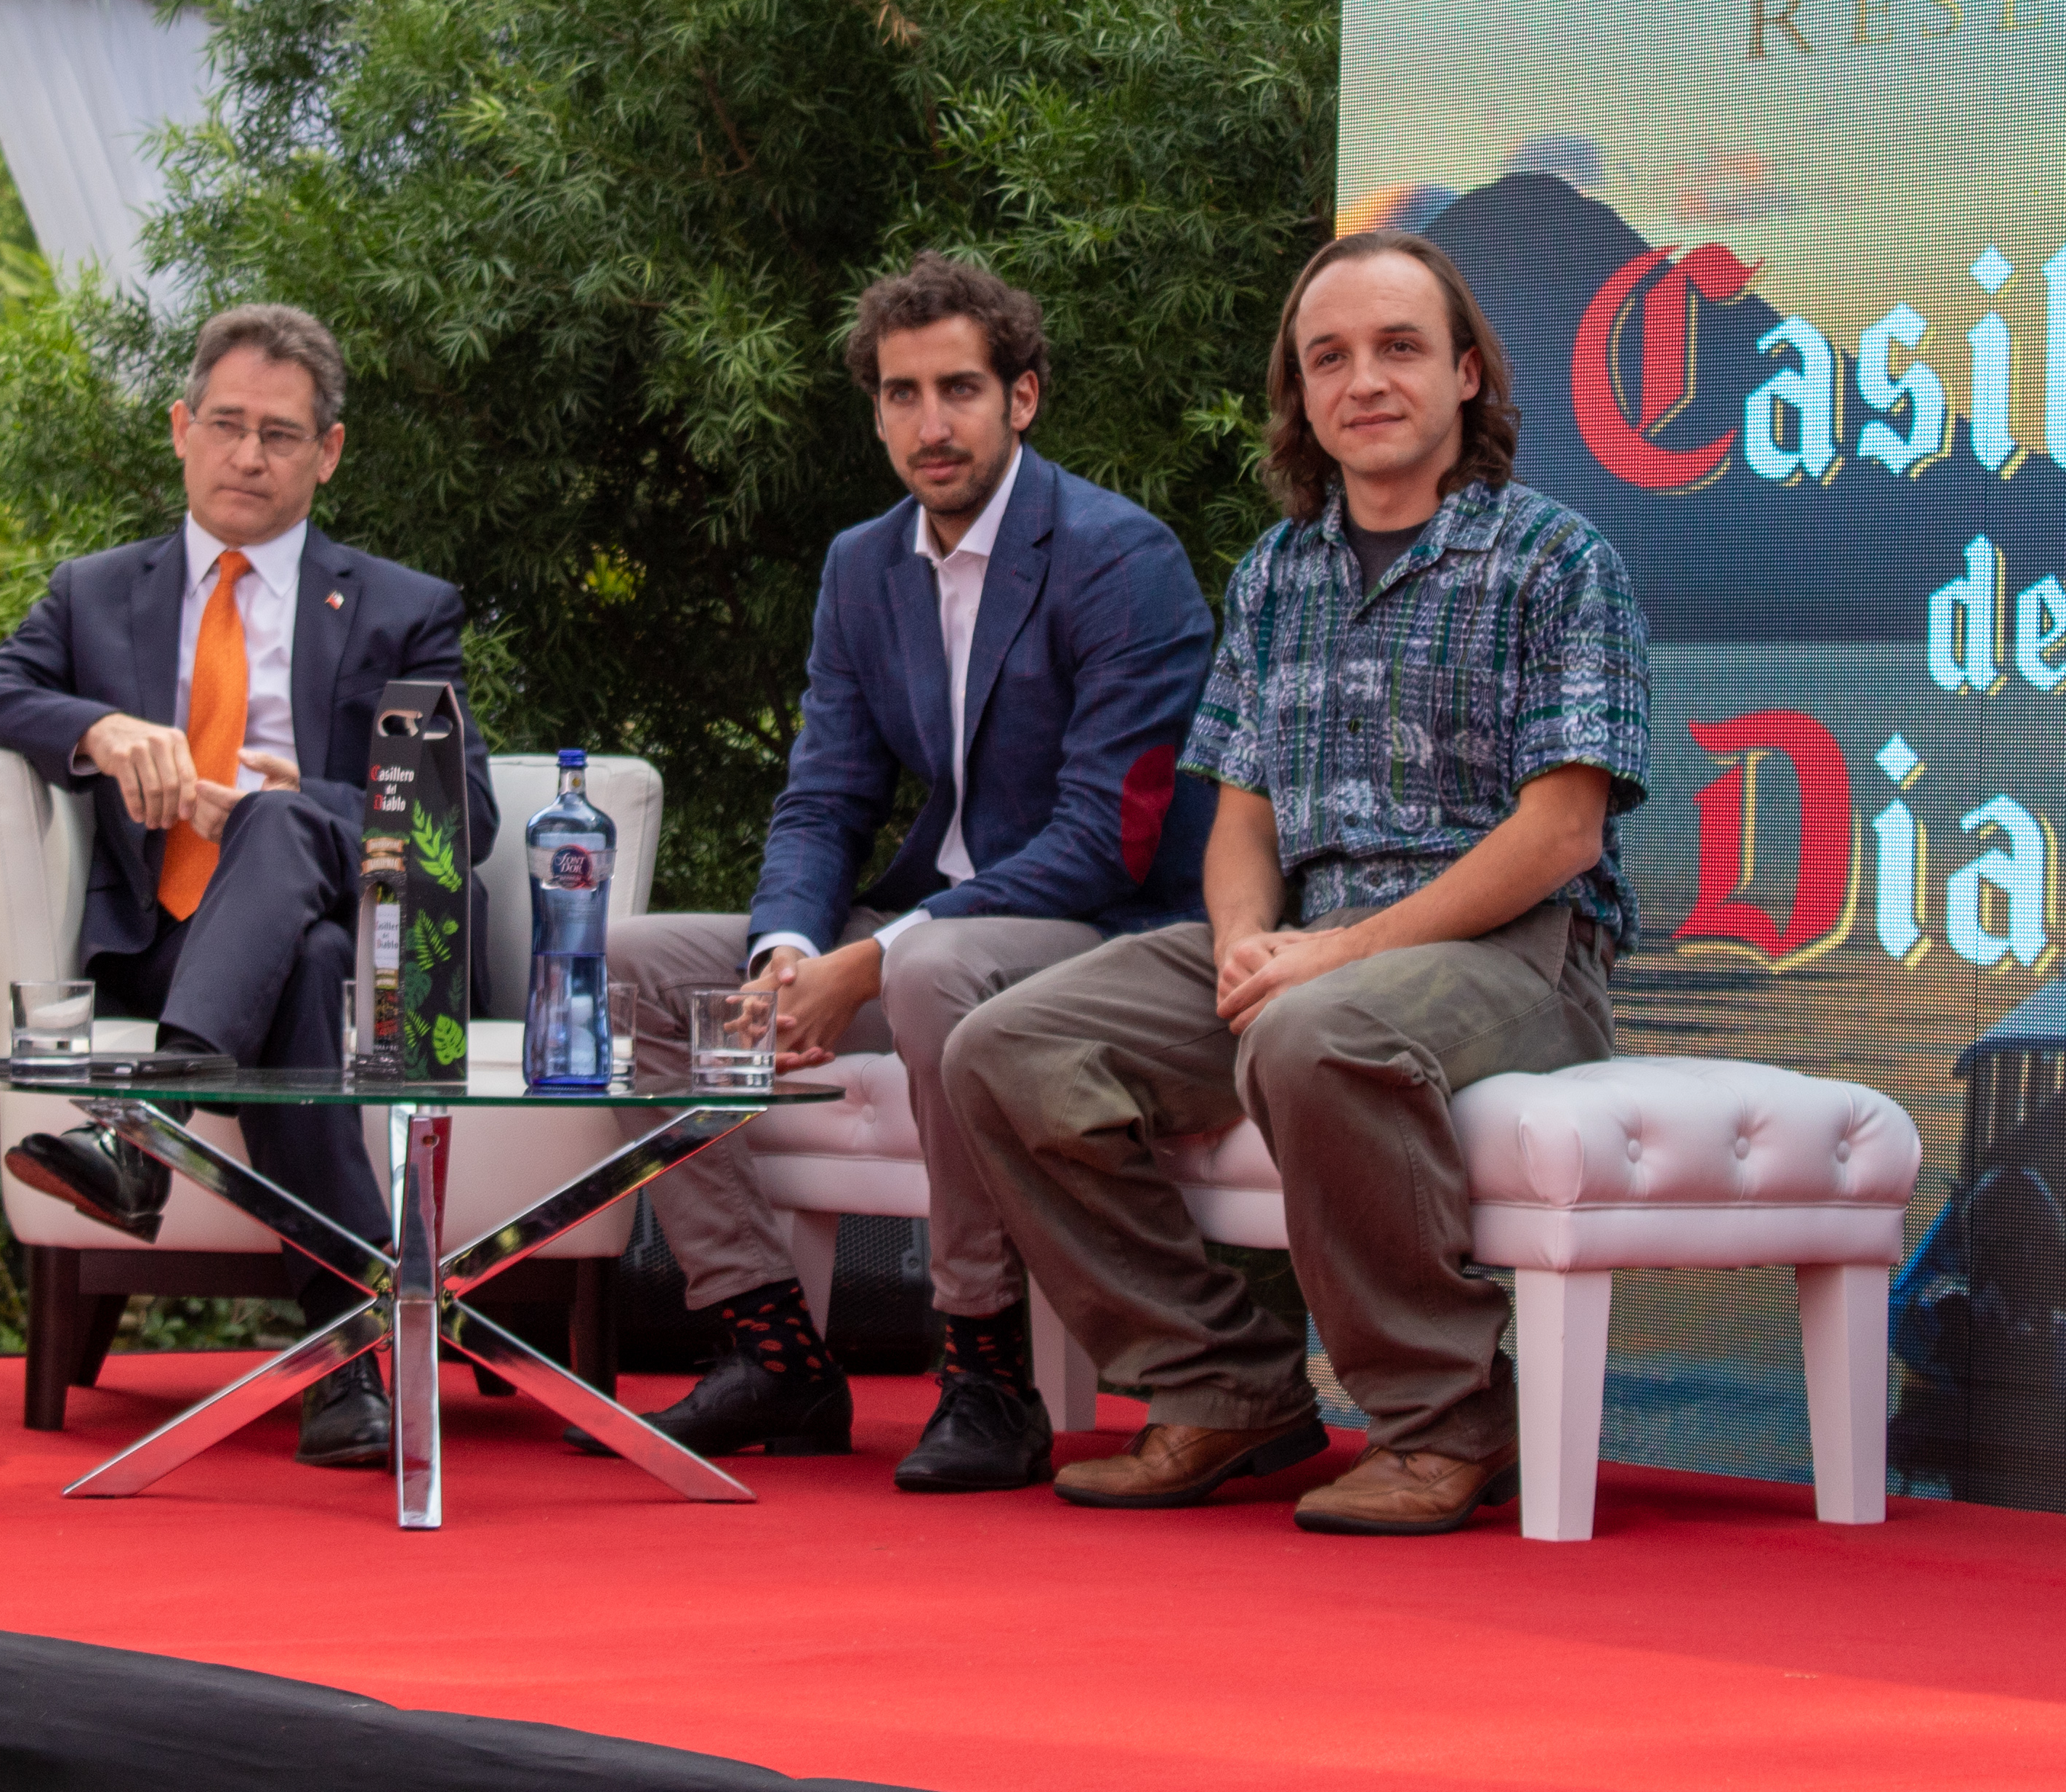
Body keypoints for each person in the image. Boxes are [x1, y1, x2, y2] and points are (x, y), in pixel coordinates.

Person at [943, 228, 1649, 1535]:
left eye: (1396, 347)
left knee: (1317, 1030)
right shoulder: (1277, 574)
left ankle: (1447, 1421)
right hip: (1315, 945)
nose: (1361, 380)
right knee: (1007, 1042)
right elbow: (1238, 815)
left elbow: (1561, 834)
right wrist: (1238, 940)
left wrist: (1329, 957)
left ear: (1466, 376)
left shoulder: (1556, 562)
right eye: (1328, 358)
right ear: (1300, 396)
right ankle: (1218, 1388)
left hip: (1515, 956)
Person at [597, 254, 1216, 1490]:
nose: (928, 426)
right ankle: (768, 1340)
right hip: (935, 924)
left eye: (958, 390)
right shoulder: (860, 566)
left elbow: (1109, 837)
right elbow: (824, 798)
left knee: (931, 969)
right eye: (898, 394)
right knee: (637, 964)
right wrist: (784, 952)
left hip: (1107, 933)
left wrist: (869, 957)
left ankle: (984, 1371)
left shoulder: (1117, 556)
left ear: (1020, 399)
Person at [0, 303, 492, 1472]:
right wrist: (103, 729)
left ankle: (145, 1134)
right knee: (303, 970)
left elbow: (458, 816)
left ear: (327, 453)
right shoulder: (95, 595)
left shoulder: (398, 607)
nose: (247, 455)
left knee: (292, 852)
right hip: (177, 945)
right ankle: (351, 1358)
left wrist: (307, 800)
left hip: (351, 911)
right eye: (224, 425)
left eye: (280, 434)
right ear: (179, 430)